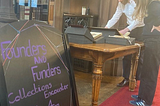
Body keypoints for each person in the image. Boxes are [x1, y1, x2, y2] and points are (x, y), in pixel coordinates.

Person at [105, 0, 144, 87]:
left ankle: (137, 79)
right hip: (130, 28)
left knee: (140, 56)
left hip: (140, 29)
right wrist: (106, 27)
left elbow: (139, 20)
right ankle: (126, 78)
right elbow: (116, 16)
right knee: (127, 55)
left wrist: (126, 30)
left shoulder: (137, 2)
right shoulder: (121, 3)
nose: (119, 0)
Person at [129, 0, 160, 106]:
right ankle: (141, 96)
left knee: (150, 72)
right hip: (150, 40)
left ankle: (146, 101)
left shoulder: (155, 4)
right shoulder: (151, 5)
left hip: (154, 41)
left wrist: (157, 27)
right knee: (146, 70)